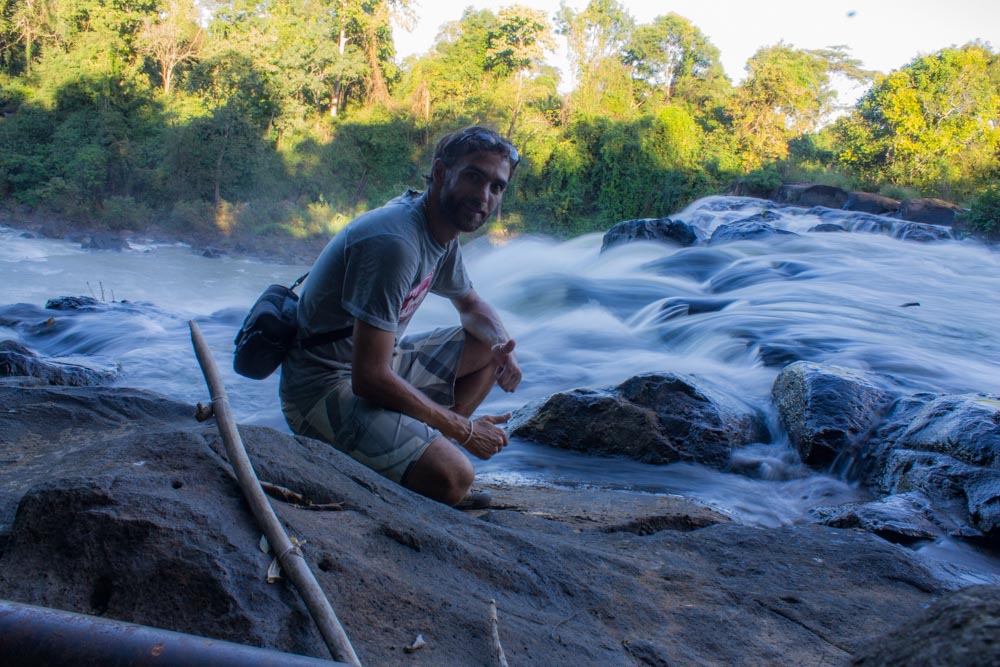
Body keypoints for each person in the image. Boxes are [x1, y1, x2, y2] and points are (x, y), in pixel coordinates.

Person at [279, 126, 522, 507]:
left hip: (371, 364)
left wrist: (503, 348)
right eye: (474, 177)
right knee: (456, 477)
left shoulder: (440, 229)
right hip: (320, 389)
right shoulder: (396, 243)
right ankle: (430, 456)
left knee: (488, 346)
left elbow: (472, 306)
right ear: (441, 173)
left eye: (497, 187)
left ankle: (424, 446)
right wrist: (466, 429)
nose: (484, 197)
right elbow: (369, 379)